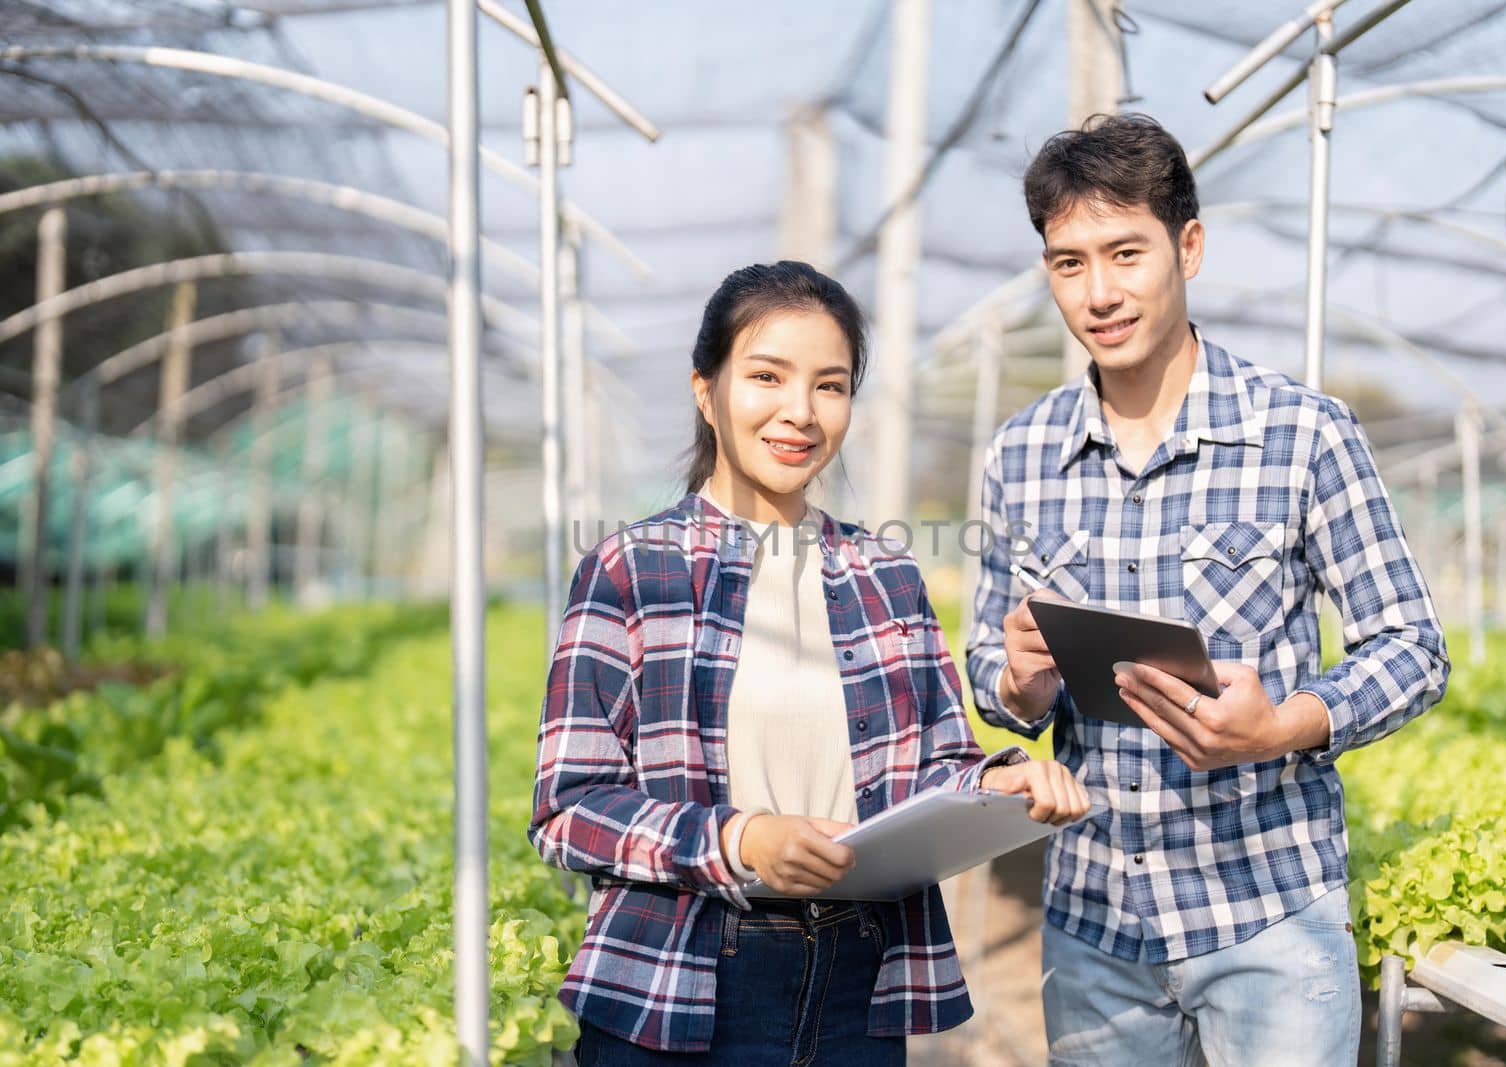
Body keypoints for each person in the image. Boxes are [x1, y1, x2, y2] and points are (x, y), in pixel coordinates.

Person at [965, 115, 1450, 1066]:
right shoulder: (1021, 455)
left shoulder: (1303, 434)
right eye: (1068, 263)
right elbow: (994, 669)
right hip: (1094, 922)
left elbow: (1412, 647)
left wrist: (1287, 723)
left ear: (1188, 245)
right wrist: (1017, 683)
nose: (1099, 293)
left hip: (1266, 911)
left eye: (1125, 253)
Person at [531, 260, 1090, 1065]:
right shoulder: (631, 569)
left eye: (830, 386)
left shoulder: (887, 576)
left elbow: (934, 769)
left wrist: (992, 785)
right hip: (678, 983)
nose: (800, 412)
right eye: (767, 376)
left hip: (857, 987)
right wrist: (743, 839)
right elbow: (569, 807)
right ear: (706, 389)